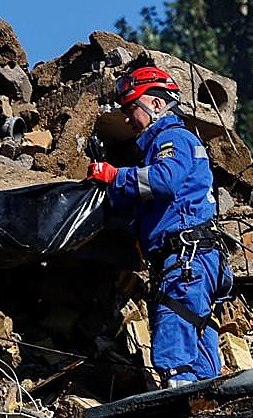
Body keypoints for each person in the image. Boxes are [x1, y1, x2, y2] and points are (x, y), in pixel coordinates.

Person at [86, 66, 233, 387]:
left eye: (130, 108)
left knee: (175, 343)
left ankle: (181, 407)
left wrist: (113, 176)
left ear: (155, 104)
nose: (127, 119)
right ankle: (206, 405)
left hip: (185, 259)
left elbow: (164, 181)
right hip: (198, 258)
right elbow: (155, 199)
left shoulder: (172, 138)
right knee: (197, 330)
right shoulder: (171, 143)